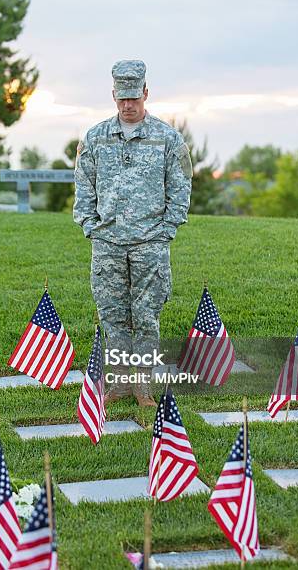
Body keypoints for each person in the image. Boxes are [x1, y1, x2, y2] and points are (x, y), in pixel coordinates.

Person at [73, 59, 192, 407]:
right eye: (122, 99)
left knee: (146, 317)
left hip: (149, 244)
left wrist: (167, 230)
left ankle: (143, 387)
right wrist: (90, 226)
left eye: (134, 98)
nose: (128, 106)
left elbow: (181, 186)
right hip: (107, 243)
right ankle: (120, 384)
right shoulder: (96, 138)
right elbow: (83, 184)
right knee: (112, 315)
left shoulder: (166, 138)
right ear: (113, 95)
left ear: (146, 93)